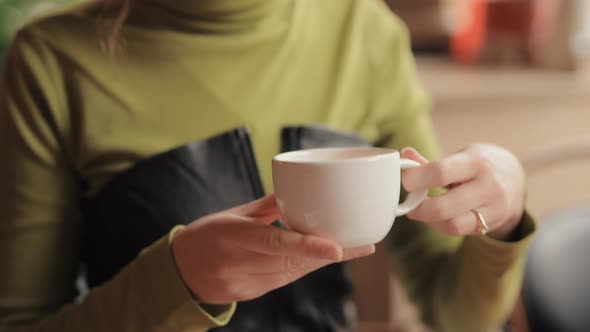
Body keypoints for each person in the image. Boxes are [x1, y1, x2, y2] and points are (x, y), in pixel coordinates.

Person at [0, 0, 536, 331]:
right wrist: (174, 283)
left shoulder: (364, 33)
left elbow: (458, 314)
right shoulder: (51, 61)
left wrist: (505, 213)